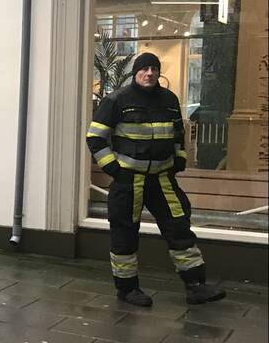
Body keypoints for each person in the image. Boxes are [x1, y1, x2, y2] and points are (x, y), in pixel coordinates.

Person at [87, 52, 225, 306]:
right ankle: (127, 290)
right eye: (144, 69)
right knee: (124, 234)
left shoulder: (170, 100)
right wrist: (114, 170)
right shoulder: (117, 100)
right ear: (135, 72)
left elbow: (178, 135)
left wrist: (179, 159)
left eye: (154, 68)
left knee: (179, 228)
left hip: (162, 179)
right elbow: (95, 138)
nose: (149, 73)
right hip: (129, 180)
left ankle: (196, 286)